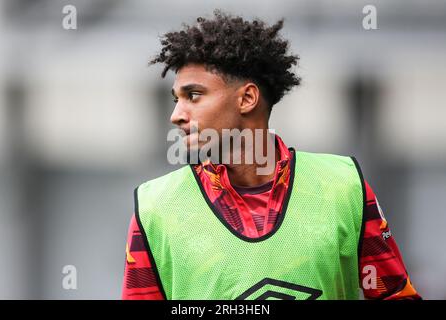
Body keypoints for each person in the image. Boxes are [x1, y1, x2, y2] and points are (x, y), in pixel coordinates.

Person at [122, 10, 421, 300]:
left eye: (194, 95)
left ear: (248, 98)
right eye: (176, 99)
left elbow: (394, 295)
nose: (176, 115)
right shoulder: (155, 208)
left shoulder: (344, 187)